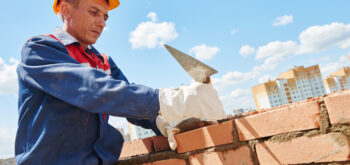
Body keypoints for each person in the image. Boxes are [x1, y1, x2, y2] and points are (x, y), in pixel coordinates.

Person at [15, 0, 226, 164]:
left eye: (106, 17)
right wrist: (168, 100)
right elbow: (92, 89)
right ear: (66, 9)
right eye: (94, 12)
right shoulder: (41, 50)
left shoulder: (104, 61)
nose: (102, 22)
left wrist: (162, 122)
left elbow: (127, 99)